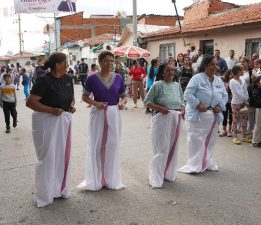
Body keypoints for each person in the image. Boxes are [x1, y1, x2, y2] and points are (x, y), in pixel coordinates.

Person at [26, 52, 76, 207]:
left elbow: (71, 98)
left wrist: (71, 106)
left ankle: (59, 189)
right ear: (57, 64)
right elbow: (30, 102)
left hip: (63, 121)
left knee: (62, 156)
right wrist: (51, 110)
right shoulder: (43, 80)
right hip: (45, 122)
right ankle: (45, 193)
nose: (68, 65)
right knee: (47, 157)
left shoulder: (68, 79)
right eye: (65, 62)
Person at [77, 51, 127, 191]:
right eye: (106, 61)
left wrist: (122, 103)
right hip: (98, 113)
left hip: (114, 114)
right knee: (96, 145)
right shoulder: (92, 78)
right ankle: (96, 179)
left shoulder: (118, 78)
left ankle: (111, 179)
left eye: (112, 61)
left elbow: (124, 96)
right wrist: (96, 103)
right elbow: (84, 97)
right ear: (100, 62)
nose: (110, 63)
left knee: (113, 144)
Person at [178, 55, 228, 174]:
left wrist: (220, 105)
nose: (215, 67)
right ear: (205, 65)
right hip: (198, 115)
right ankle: (194, 165)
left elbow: (225, 95)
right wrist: (197, 103)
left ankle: (207, 161)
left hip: (213, 115)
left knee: (211, 140)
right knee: (196, 140)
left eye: (216, 65)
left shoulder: (218, 80)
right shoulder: (197, 78)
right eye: (212, 64)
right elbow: (187, 94)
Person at [144, 63, 184, 188]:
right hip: (161, 118)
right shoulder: (157, 85)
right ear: (162, 72)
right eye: (168, 70)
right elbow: (147, 102)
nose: (171, 72)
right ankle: (156, 176)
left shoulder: (177, 86)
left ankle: (168, 173)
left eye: (173, 70)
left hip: (175, 119)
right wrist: (160, 108)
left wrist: (182, 107)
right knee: (161, 148)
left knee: (173, 146)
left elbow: (182, 100)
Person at [229, 64, 251, 145]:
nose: (243, 71)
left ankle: (244, 136)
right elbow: (237, 93)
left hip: (243, 102)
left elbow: (245, 91)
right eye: (241, 70)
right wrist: (246, 99)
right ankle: (234, 136)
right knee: (235, 120)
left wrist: (246, 100)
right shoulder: (232, 81)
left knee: (244, 120)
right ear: (238, 71)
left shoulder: (242, 79)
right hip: (235, 103)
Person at [219, 69, 233, 137]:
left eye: (232, 74)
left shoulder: (233, 81)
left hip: (232, 101)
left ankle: (230, 130)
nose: (231, 75)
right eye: (230, 74)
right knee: (224, 115)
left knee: (231, 115)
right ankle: (224, 129)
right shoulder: (223, 81)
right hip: (225, 101)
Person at [248, 76, 261, 148]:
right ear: (257, 83)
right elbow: (257, 101)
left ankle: (258, 140)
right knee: (258, 125)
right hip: (259, 109)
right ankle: (255, 141)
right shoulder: (256, 90)